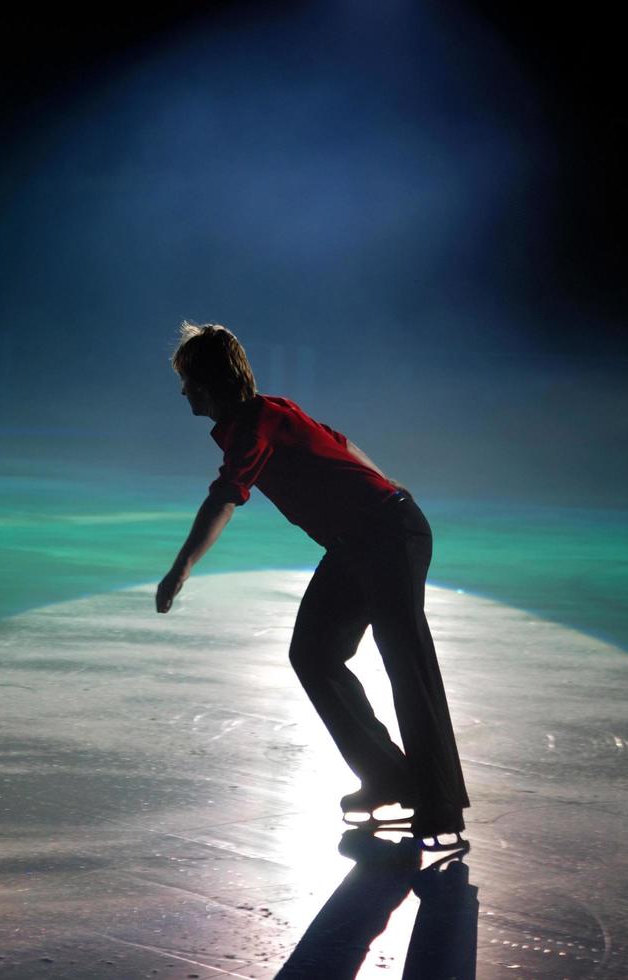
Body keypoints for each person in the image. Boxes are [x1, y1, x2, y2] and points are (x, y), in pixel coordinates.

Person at [155, 321, 469, 848]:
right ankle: (390, 776)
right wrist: (386, 484)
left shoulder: (256, 422)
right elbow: (342, 443)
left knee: (404, 658)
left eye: (186, 379)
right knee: (314, 654)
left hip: (388, 535)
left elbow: (227, 495)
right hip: (356, 544)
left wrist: (182, 566)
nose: (182, 390)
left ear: (207, 381)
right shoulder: (266, 414)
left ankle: (440, 806)